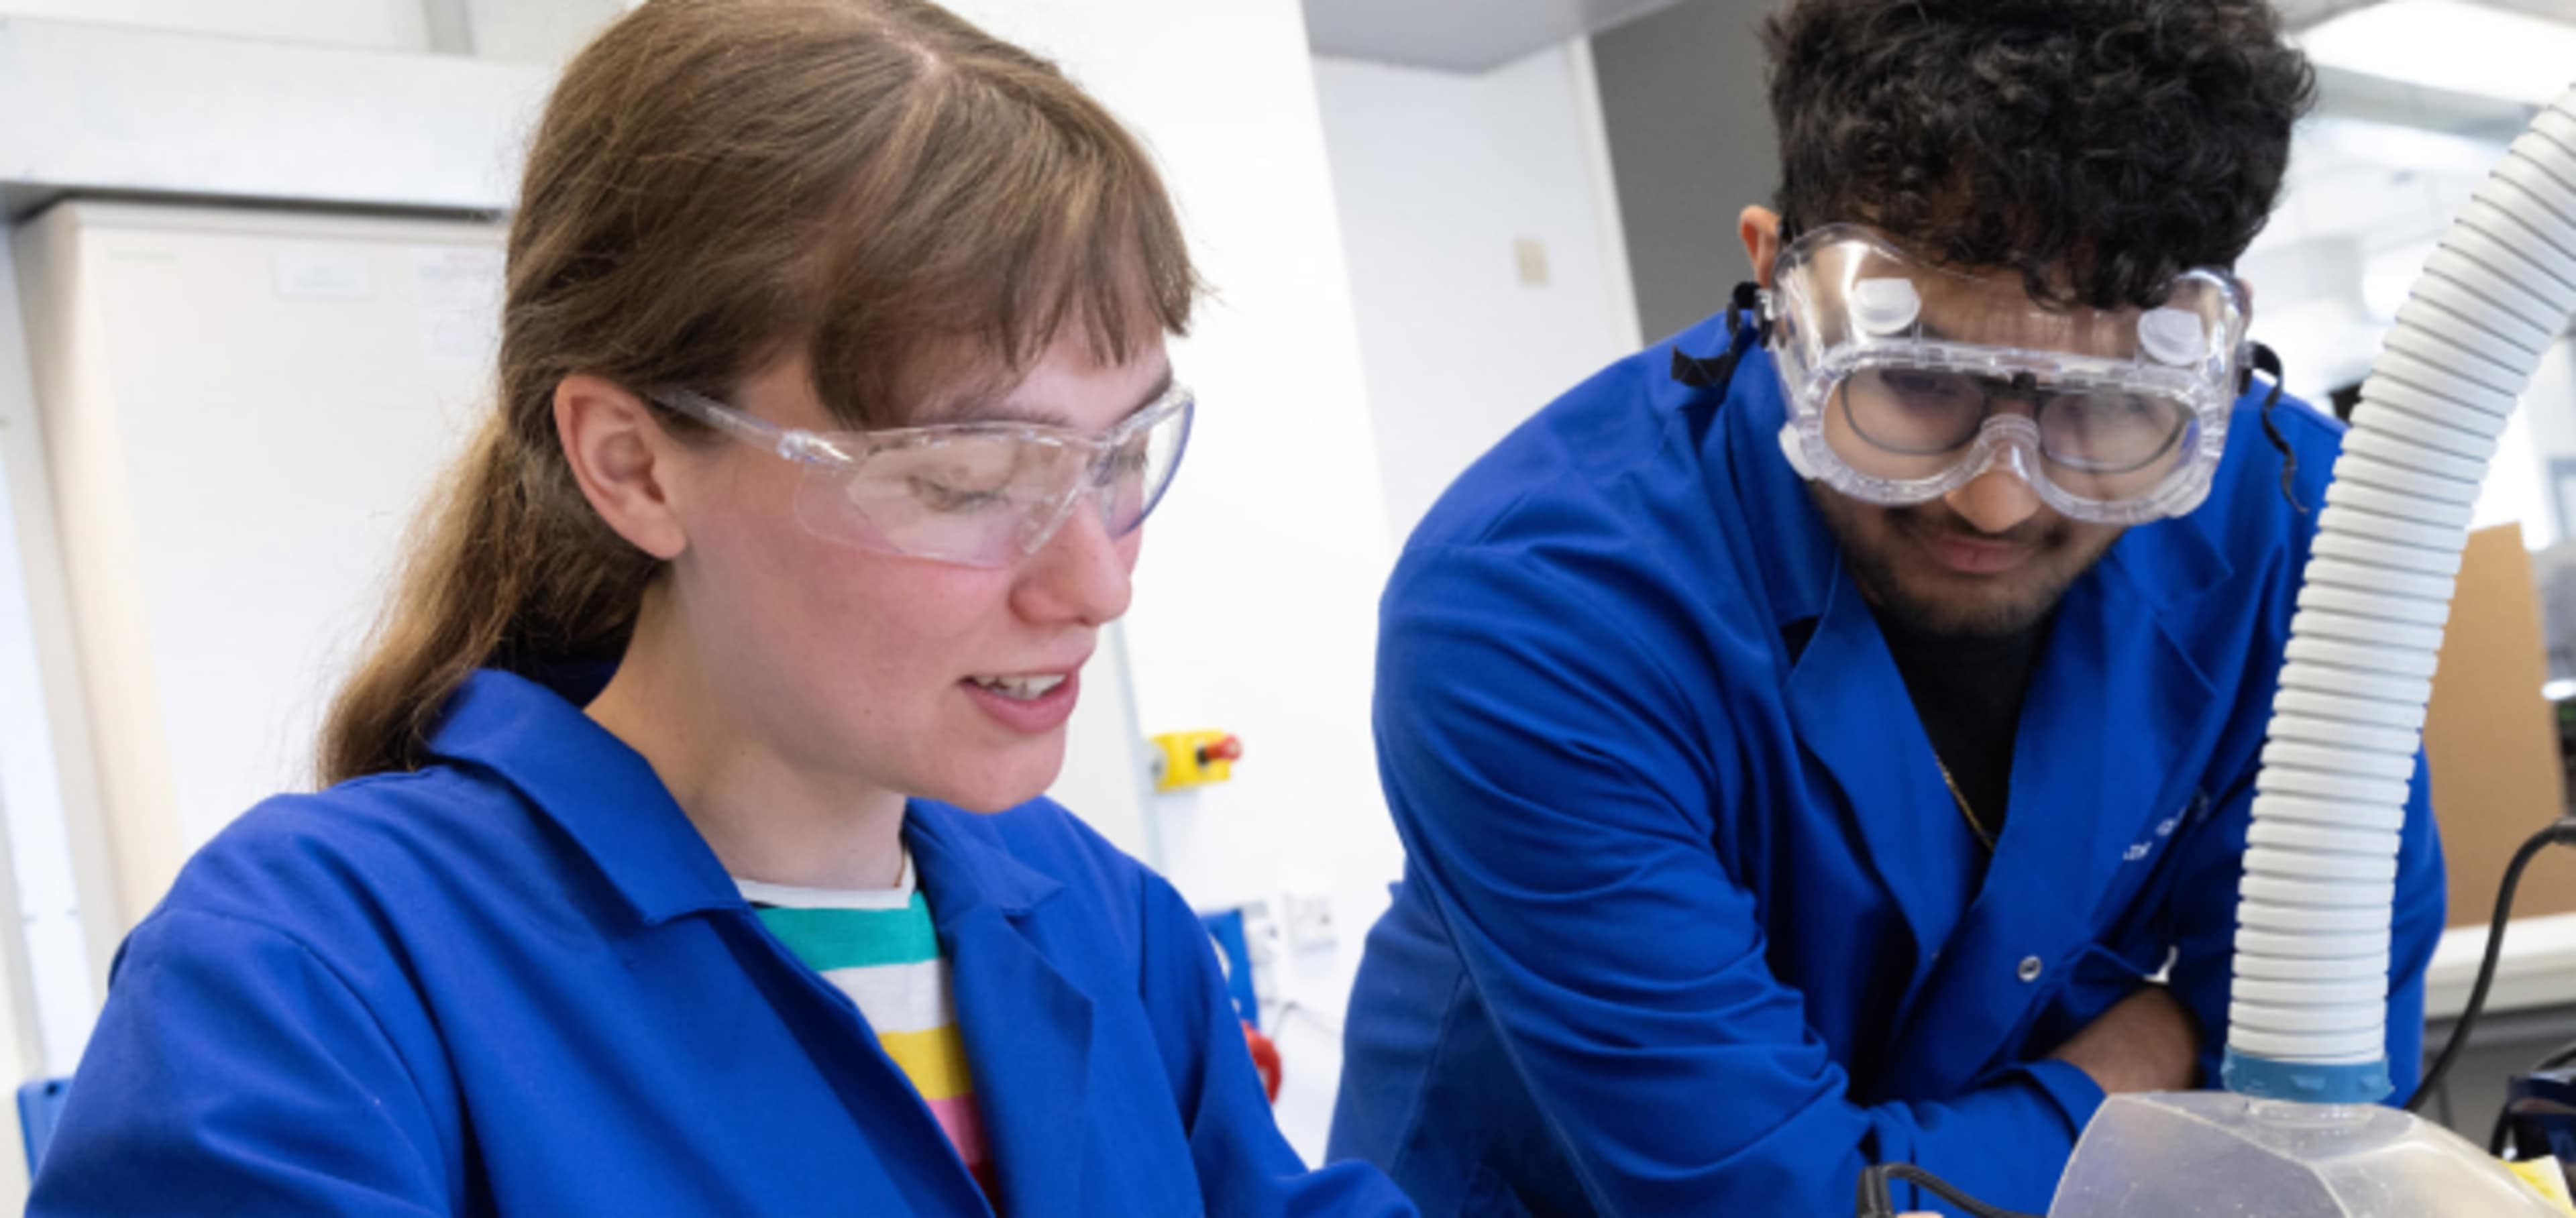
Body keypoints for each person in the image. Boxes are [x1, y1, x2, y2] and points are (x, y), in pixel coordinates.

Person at [28, 1, 1413, 1213]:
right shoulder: (318, 970)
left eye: (1118, 458)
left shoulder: (1105, 926)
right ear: (631, 464)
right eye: (963, 478)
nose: (1097, 582)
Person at [1328, 1, 2447, 1213]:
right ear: (1775, 280)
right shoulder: (1535, 612)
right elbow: (1782, 1205)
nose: (1998, 502)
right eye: (1915, 382)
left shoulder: (2301, 530)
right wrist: (2155, 1051)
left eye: (2103, 401)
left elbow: (2315, 1082)